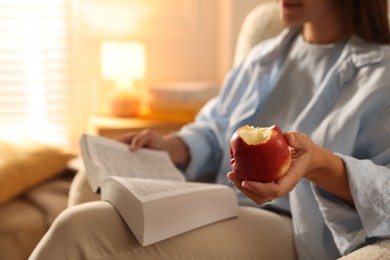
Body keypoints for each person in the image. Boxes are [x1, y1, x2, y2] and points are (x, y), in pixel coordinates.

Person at [30, 0, 390, 259]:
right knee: (94, 195)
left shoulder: (382, 75)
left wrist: (317, 163)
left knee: (81, 229)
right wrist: (174, 146)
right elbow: (217, 128)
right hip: (219, 203)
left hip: (292, 227)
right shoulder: (265, 56)